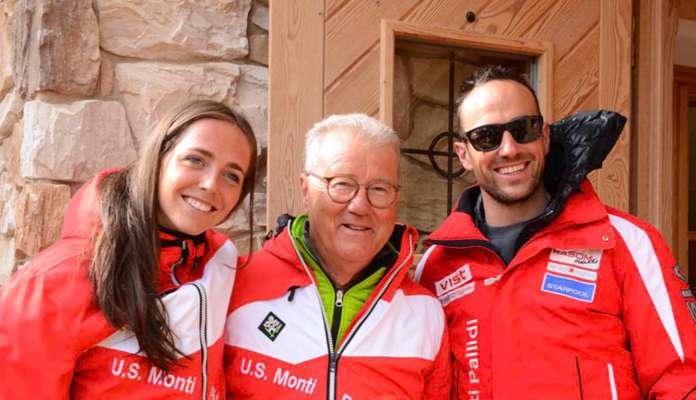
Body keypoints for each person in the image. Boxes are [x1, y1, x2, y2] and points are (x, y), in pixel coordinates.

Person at [415, 66, 696, 399]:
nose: (509, 149)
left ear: (545, 137)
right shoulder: (437, 265)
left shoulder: (626, 242)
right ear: (464, 153)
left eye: (523, 129)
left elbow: (682, 378)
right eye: (486, 137)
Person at [0, 100, 258, 398]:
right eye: (195, 160)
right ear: (158, 158)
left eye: (232, 175)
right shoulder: (53, 282)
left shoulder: (220, 264)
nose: (211, 184)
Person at [224, 114, 451, 399]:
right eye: (342, 184)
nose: (360, 206)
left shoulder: (424, 313)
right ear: (305, 190)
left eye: (379, 189)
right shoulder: (236, 285)